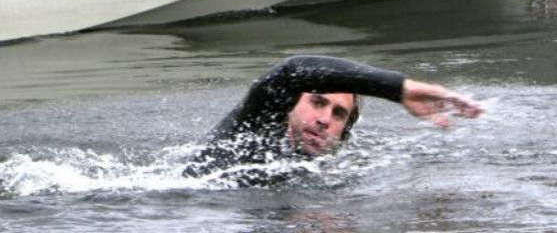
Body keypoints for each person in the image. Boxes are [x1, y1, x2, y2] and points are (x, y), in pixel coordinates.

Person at [184, 55, 484, 184]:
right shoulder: (249, 135)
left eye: (339, 114)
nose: (324, 119)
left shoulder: (334, 172)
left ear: (344, 133)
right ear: (289, 106)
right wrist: (398, 88)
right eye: (317, 103)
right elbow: (290, 72)